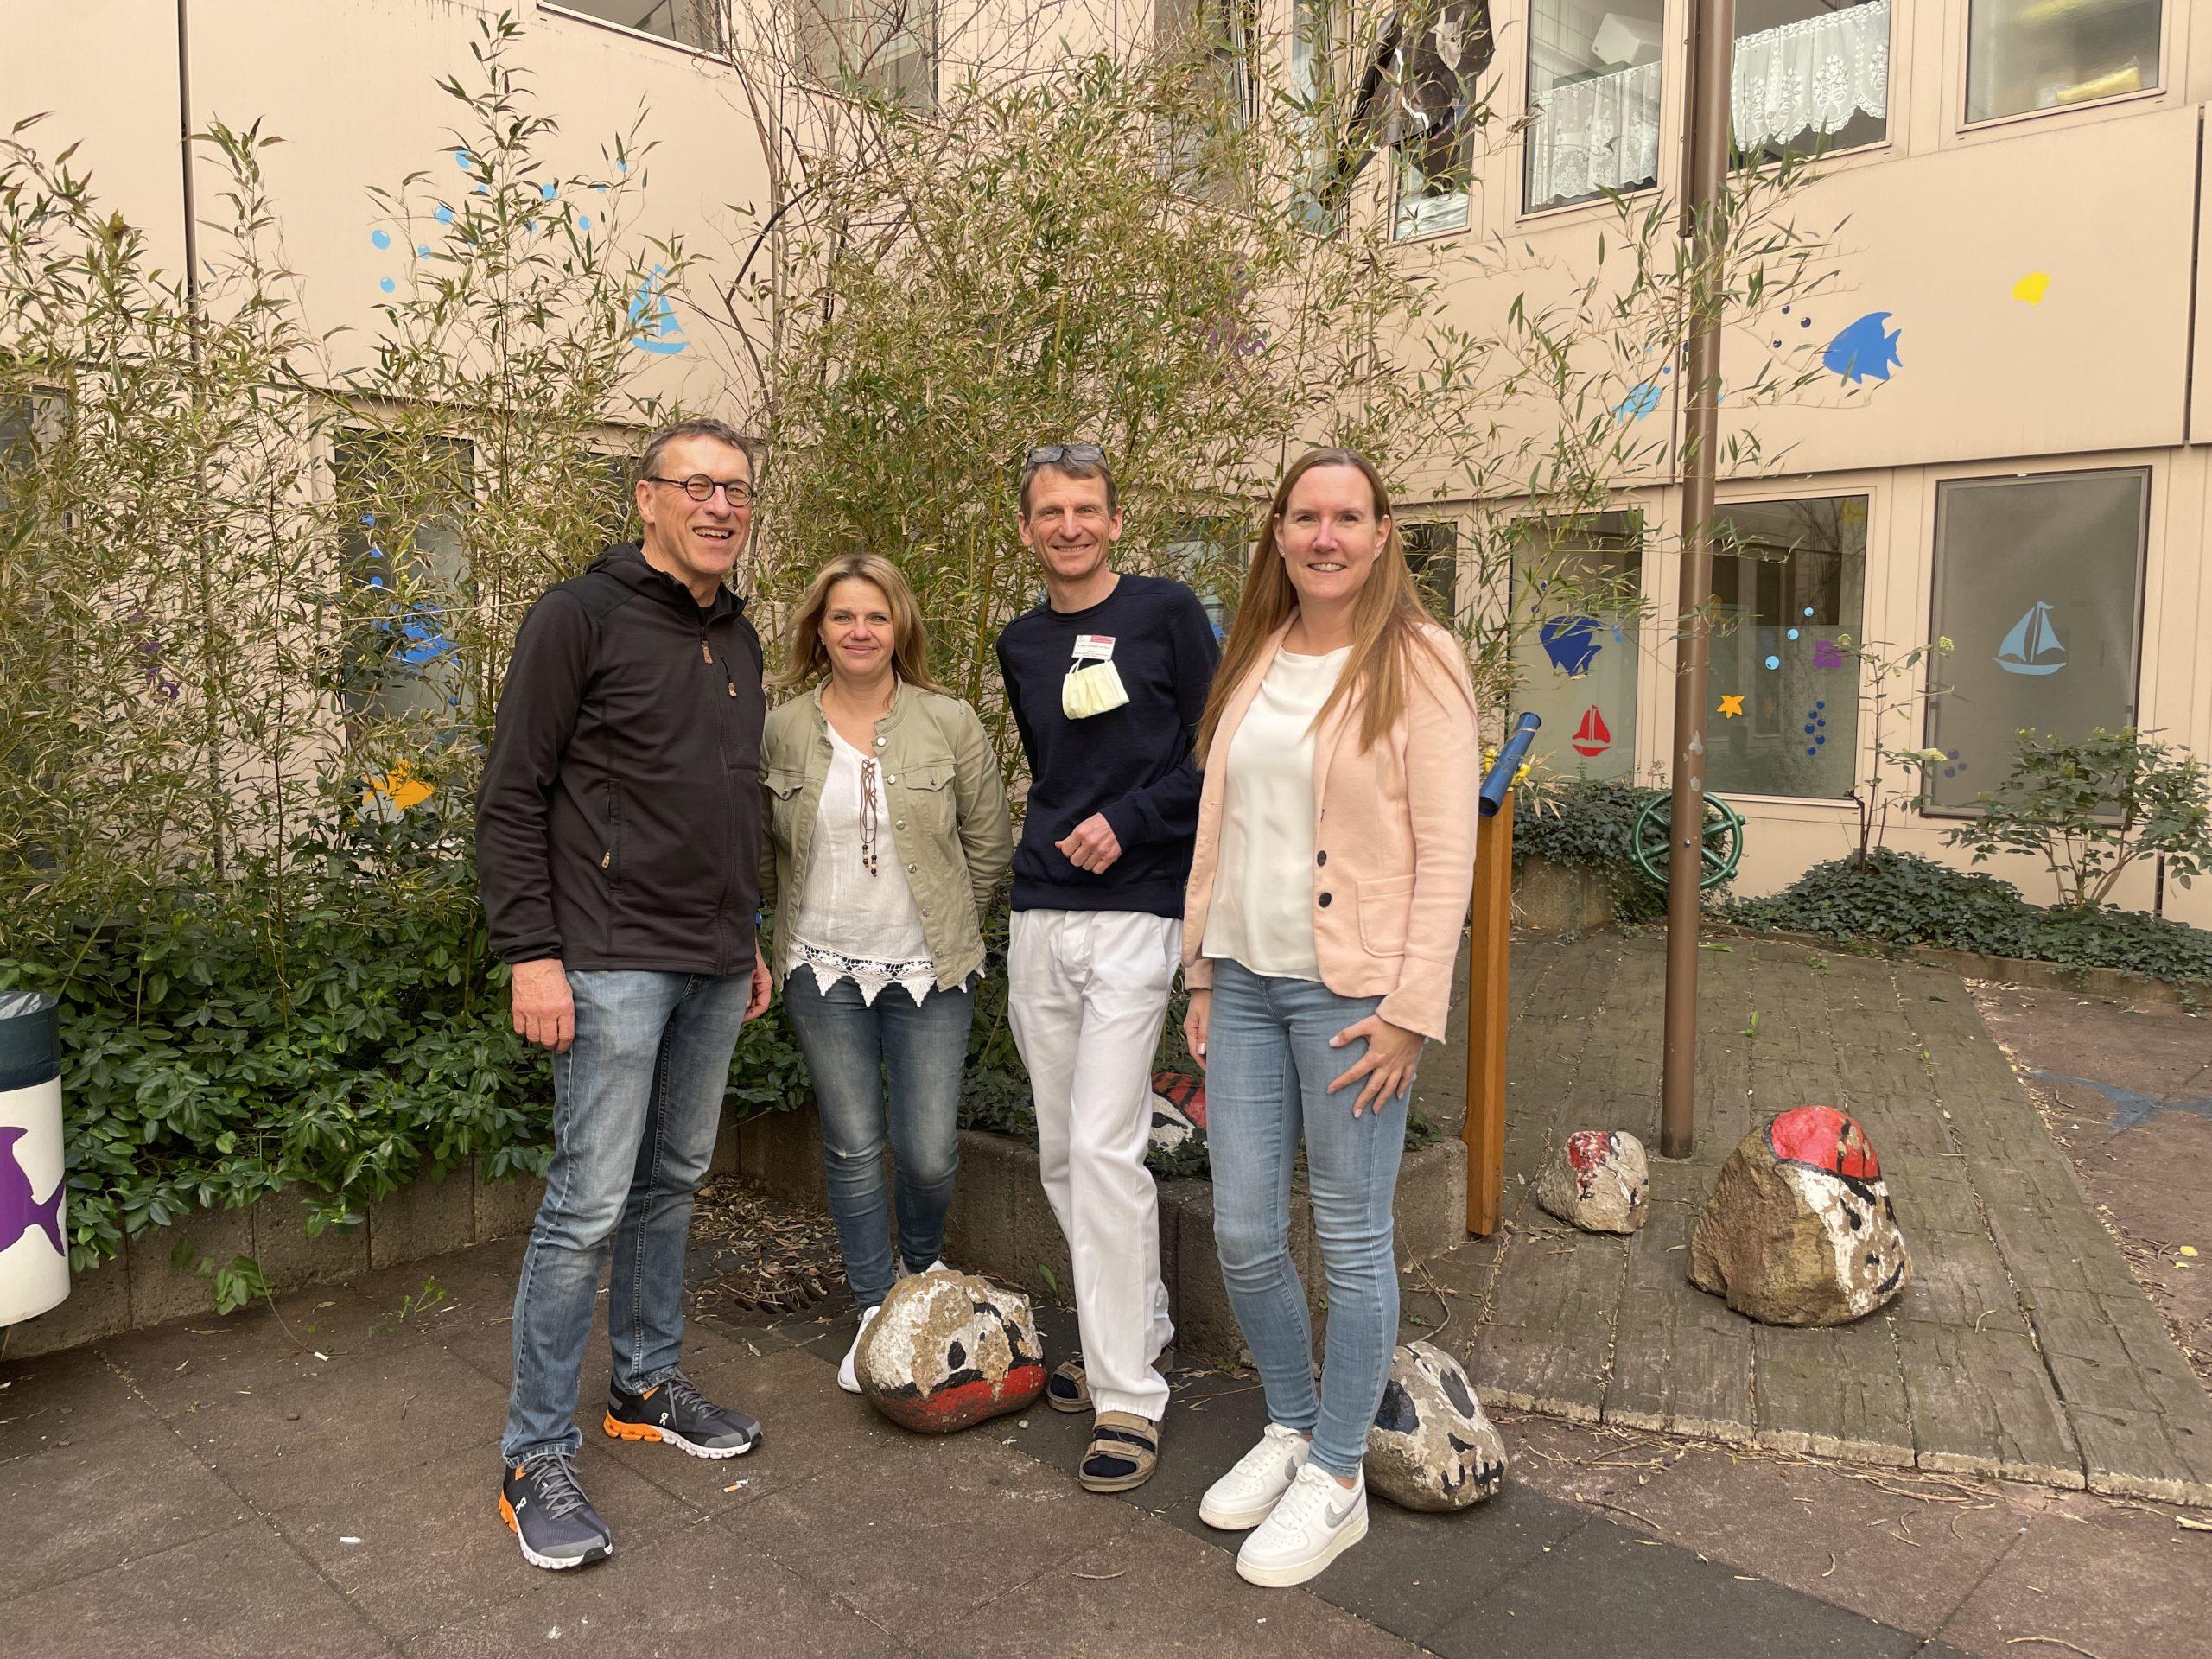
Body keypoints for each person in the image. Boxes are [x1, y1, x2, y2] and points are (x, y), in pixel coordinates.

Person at [476, 417, 772, 1571]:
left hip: (708, 956)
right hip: (602, 957)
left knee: (674, 1180)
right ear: (645, 498)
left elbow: (725, 802)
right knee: (586, 1202)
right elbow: (513, 796)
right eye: (695, 485)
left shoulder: (737, 635)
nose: (719, 505)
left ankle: (645, 1384)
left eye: (736, 488)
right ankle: (531, 1453)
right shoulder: (578, 617)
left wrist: (745, 935)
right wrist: (531, 953)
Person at [1181, 448, 1477, 1587]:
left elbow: (1447, 855)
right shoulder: (1254, 658)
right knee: (1245, 1230)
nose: (1325, 535)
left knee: (1352, 1240)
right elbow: (1221, 832)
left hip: (1356, 993)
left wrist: (1413, 1007)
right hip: (1247, 981)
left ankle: (1341, 1475)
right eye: (1304, 516)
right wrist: (1203, 976)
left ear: (1383, 532)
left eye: (1347, 516)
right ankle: (1295, 1425)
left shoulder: (1421, 663)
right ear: (1277, 535)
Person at [994, 442, 1221, 1493]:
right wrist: (1067, 841)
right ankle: (1148, 1323)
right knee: (1058, 1150)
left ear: (1117, 521)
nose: (1069, 526)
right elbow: (1056, 765)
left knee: (1103, 1146)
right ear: (1030, 527)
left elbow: (1212, 753)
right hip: (1043, 908)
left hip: (1137, 910)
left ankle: (1129, 1394)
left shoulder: (1169, 612)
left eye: (1087, 508)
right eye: (1051, 511)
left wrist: (1128, 825)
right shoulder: (1020, 642)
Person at [759, 553, 1013, 1391]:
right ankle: (875, 1309)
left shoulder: (949, 721)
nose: (860, 630)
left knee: (929, 1151)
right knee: (854, 1144)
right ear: (818, 631)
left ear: (899, 625)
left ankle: (921, 1276)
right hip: (820, 967)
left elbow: (988, 843)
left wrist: (950, 925)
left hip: (930, 971)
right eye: (842, 617)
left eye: (875, 615)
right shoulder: (784, 727)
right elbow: (764, 851)